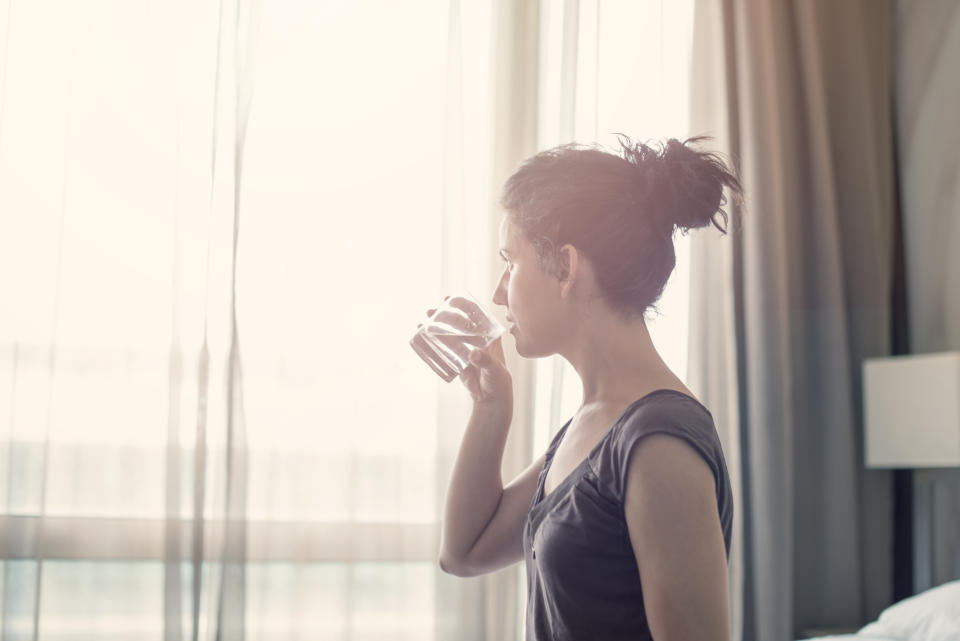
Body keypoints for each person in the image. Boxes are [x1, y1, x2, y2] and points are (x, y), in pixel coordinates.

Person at [437, 135, 741, 641]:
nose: (498, 291)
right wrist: (492, 407)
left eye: (510, 261)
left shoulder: (659, 441)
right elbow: (463, 552)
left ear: (566, 267)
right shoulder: (593, 425)